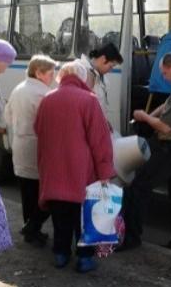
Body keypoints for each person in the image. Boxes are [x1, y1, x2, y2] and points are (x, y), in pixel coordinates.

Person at [119, 53, 171, 253]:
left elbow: (166, 127)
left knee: (139, 186)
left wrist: (143, 117)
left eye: (165, 73)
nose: (165, 78)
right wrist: (150, 115)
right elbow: (167, 105)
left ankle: (131, 238)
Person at [34, 62, 114, 273]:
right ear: (81, 77)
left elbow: (37, 129)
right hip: (81, 172)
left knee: (60, 216)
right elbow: (100, 140)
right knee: (83, 218)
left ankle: (60, 254)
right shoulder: (88, 100)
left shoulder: (48, 99)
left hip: (53, 169)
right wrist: (105, 172)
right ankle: (84, 259)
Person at [4, 55, 57, 246]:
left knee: (27, 193)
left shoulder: (18, 89)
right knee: (45, 194)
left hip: (19, 144)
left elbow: (7, 117)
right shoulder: (43, 94)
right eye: (50, 73)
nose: (53, 77)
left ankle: (31, 229)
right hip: (37, 147)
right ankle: (33, 227)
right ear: (39, 72)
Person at [76, 43, 123, 125]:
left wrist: (105, 122)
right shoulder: (80, 70)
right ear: (103, 59)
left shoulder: (101, 77)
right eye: (111, 66)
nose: (110, 70)